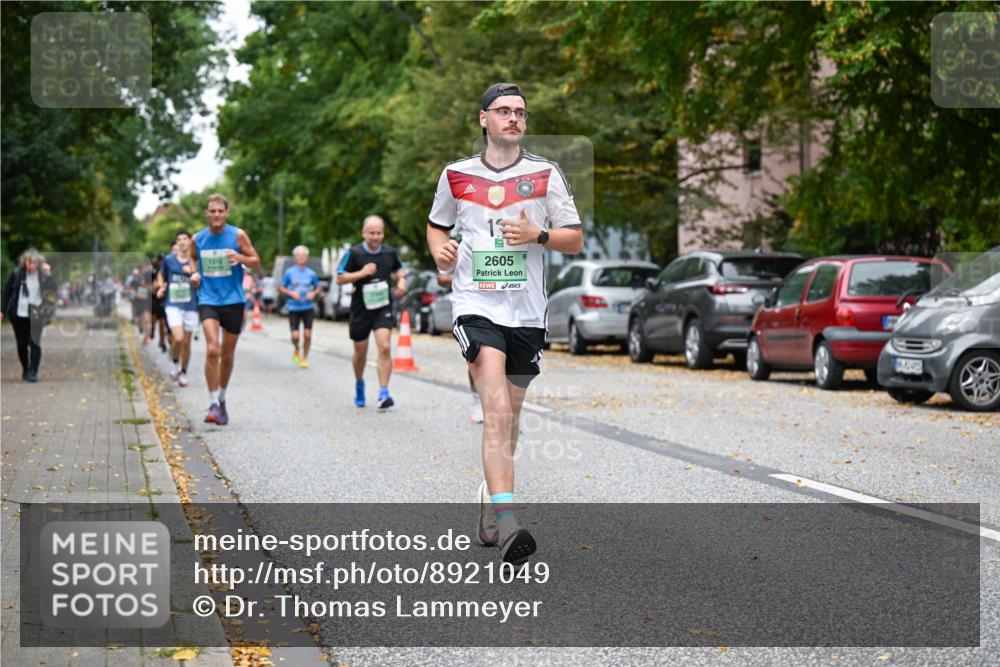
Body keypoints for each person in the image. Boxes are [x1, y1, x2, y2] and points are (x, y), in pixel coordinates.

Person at [427, 82, 584, 564]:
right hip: (476, 306)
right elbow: (437, 224)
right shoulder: (456, 175)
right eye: (503, 111)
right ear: (483, 118)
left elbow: (573, 239)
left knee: (508, 418)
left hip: (527, 314)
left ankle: (491, 497)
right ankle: (510, 521)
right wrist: (441, 250)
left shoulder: (545, 174)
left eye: (520, 112)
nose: (514, 118)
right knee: (494, 408)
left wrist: (538, 233)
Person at [192, 193, 261, 425]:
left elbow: (256, 262)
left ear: (226, 213)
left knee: (227, 355)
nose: (216, 215)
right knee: (213, 349)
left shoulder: (237, 235)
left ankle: (222, 398)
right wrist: (194, 273)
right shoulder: (198, 238)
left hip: (233, 300)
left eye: (220, 211)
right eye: (212, 211)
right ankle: (212, 403)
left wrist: (240, 257)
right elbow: (193, 259)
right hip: (208, 299)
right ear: (207, 213)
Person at [336, 215, 406, 409]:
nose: (375, 237)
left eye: (379, 233)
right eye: (371, 233)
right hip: (360, 308)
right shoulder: (354, 253)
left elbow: (400, 270)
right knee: (360, 352)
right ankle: (359, 383)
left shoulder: (389, 252)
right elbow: (339, 278)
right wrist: (361, 273)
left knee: (384, 347)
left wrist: (401, 281)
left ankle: (384, 392)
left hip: (382, 306)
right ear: (363, 233)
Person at [2, 248, 58, 381]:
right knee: (21, 344)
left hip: (36, 313)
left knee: (34, 343)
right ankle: (25, 369)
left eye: (34, 263)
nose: (31, 265)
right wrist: (2, 310)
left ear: (38, 263)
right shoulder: (16, 273)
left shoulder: (43, 275)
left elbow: (52, 292)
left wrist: (49, 275)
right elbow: (6, 293)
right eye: (29, 262)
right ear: (24, 262)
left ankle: (34, 371)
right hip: (19, 314)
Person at [156, 231, 199, 387]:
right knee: (178, 338)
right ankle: (175, 363)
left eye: (185, 239)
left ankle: (184, 372)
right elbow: (161, 275)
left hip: (191, 305)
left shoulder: (195, 260)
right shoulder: (169, 260)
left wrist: (193, 274)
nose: (181, 242)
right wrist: (161, 287)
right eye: (178, 239)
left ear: (190, 241)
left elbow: (200, 282)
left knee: (187, 343)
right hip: (173, 304)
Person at [277, 245, 320, 368]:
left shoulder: (311, 274)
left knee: (307, 334)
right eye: (299, 256)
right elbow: (280, 287)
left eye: (304, 255)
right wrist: (291, 293)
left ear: (307, 258)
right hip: (293, 308)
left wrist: (313, 293)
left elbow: (318, 287)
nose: (301, 258)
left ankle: (305, 357)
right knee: (295, 336)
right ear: (295, 258)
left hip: (307, 307)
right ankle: (296, 348)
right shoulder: (289, 273)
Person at [151, 255, 169, 352]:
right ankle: (152, 330)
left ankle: (162, 342)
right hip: (154, 299)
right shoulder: (153, 272)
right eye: (160, 260)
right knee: (153, 319)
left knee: (162, 323)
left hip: (163, 299)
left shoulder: (167, 272)